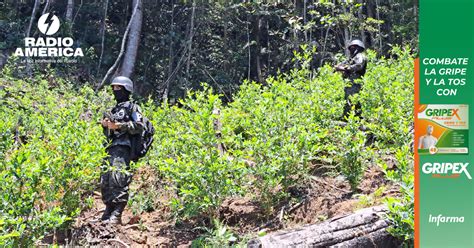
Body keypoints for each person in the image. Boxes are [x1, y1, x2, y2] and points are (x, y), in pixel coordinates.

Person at [99, 76, 144, 224]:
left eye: (118, 88)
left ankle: (117, 214)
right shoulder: (113, 109)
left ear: (126, 90)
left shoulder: (133, 107)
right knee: (106, 179)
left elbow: (139, 126)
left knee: (119, 178)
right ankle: (108, 211)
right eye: (113, 88)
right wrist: (106, 126)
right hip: (110, 147)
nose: (115, 91)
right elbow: (108, 133)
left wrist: (119, 126)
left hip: (124, 148)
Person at [335, 39, 367, 118]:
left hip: (355, 82)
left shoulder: (360, 56)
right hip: (350, 82)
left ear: (358, 48)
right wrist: (338, 67)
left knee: (352, 99)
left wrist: (344, 69)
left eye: (353, 47)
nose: (351, 49)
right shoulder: (352, 58)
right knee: (349, 99)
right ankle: (350, 117)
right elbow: (344, 63)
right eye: (350, 48)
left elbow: (359, 66)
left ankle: (351, 118)